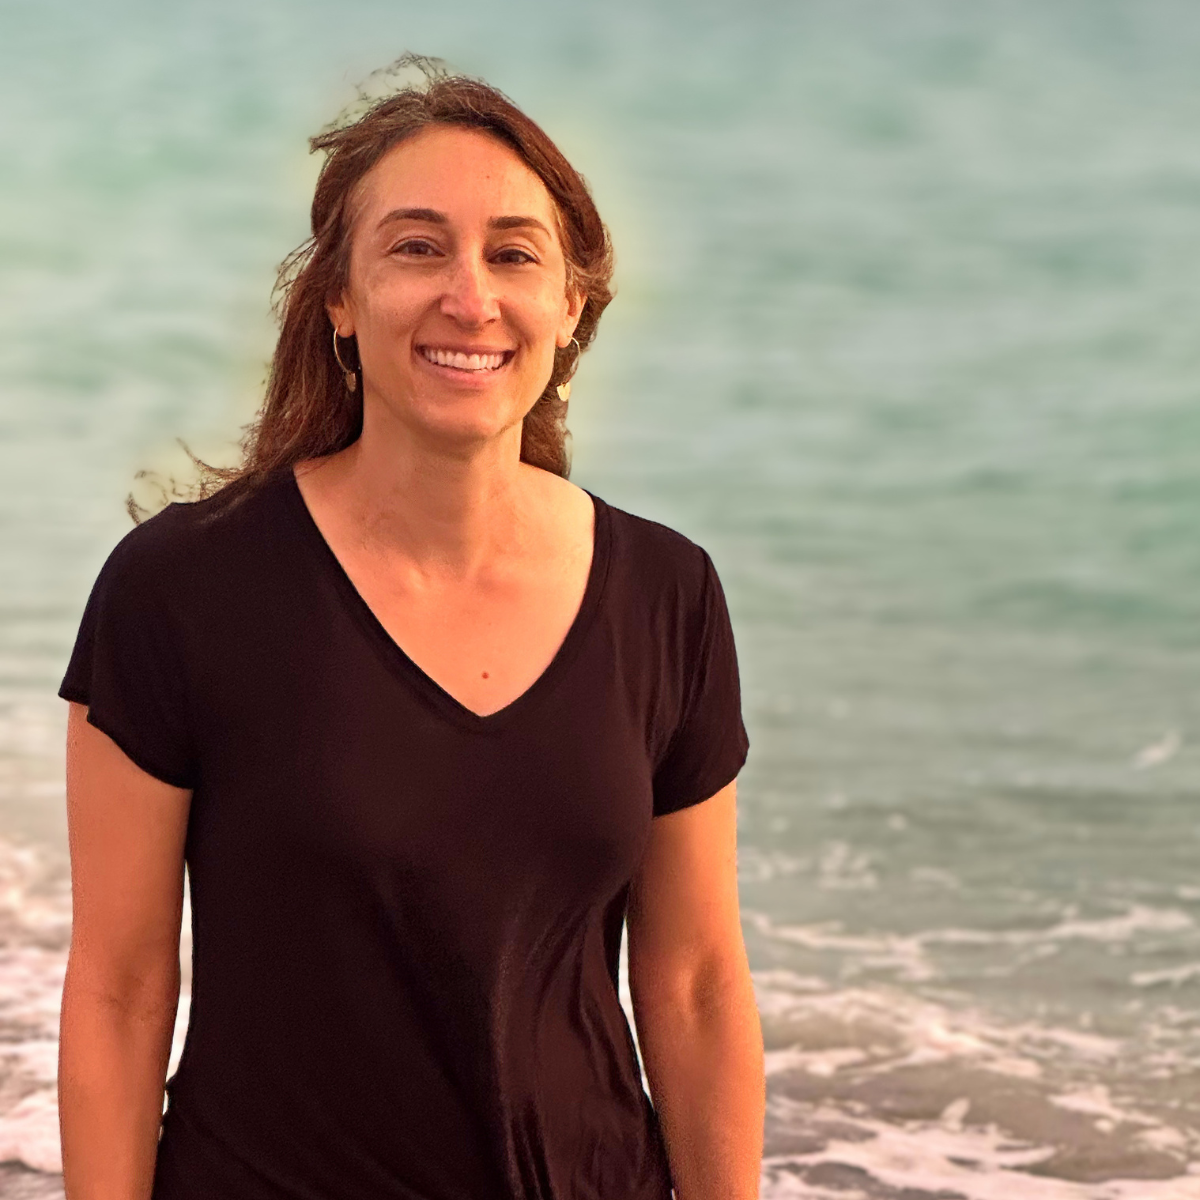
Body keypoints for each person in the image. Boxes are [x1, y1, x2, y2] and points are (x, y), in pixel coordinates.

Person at [56, 56, 764, 1200]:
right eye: (416, 247)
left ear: (571, 304)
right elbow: (121, 990)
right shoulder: (180, 589)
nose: (470, 300)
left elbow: (692, 983)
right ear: (339, 297)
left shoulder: (666, 592)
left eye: (514, 254)